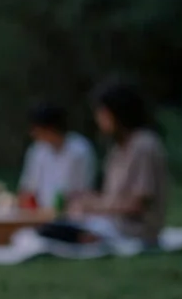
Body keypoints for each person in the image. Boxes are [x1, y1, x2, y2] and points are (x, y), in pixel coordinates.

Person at [69, 81, 169, 246]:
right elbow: (113, 198)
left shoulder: (144, 145)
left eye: (102, 113)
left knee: (56, 231)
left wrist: (94, 207)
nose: (98, 119)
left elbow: (137, 205)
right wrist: (88, 201)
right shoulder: (117, 149)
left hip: (135, 231)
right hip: (112, 225)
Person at [18, 104, 96, 209]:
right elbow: (27, 188)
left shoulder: (79, 150)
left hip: (72, 214)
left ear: (50, 128)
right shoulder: (37, 150)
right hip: (39, 214)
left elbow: (84, 190)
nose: (33, 134)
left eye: (37, 129)